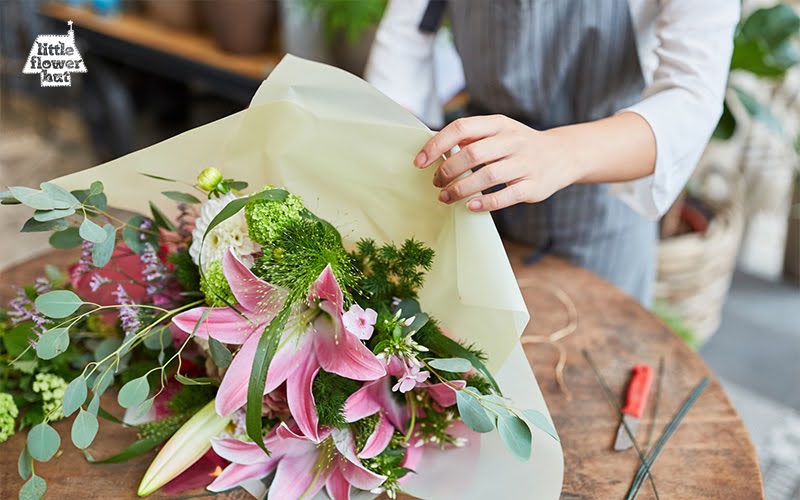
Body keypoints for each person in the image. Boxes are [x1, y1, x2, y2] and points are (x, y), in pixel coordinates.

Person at [365, 0, 740, 306]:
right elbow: (405, 43)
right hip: (475, 197)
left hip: (602, 210)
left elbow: (692, 94)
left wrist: (560, 152)